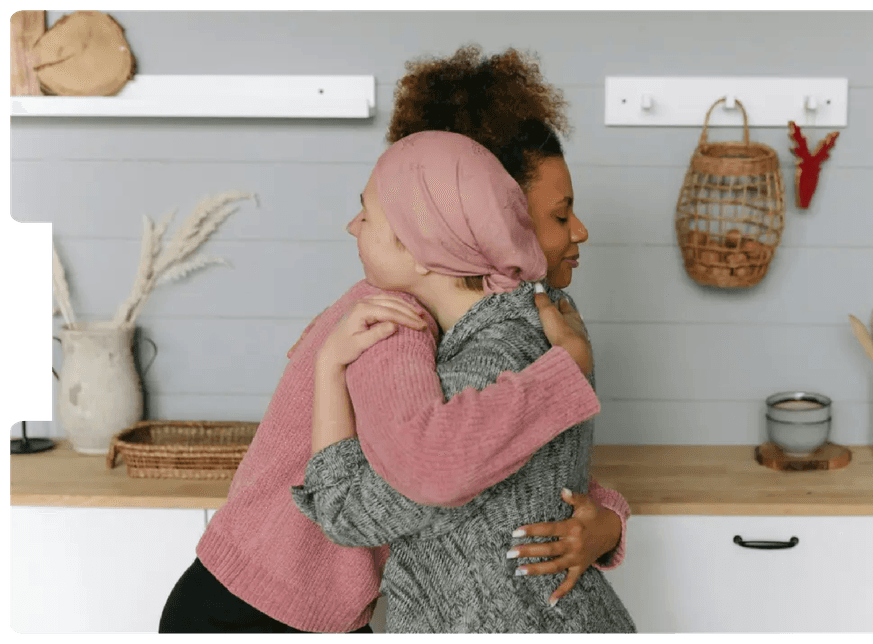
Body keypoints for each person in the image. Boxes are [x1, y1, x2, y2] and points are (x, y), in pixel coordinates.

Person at [157, 50, 628, 635]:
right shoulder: (397, 320)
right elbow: (428, 471)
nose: (579, 230)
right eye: (557, 215)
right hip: (260, 607)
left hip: (310, 606)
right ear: (471, 222)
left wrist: (607, 520)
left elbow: (503, 457)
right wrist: (566, 376)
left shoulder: (493, 321)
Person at [292, 130, 636, 635]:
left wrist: (328, 367)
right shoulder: (539, 322)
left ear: (422, 249)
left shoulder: (489, 360)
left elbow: (350, 513)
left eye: (366, 214)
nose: (352, 226)